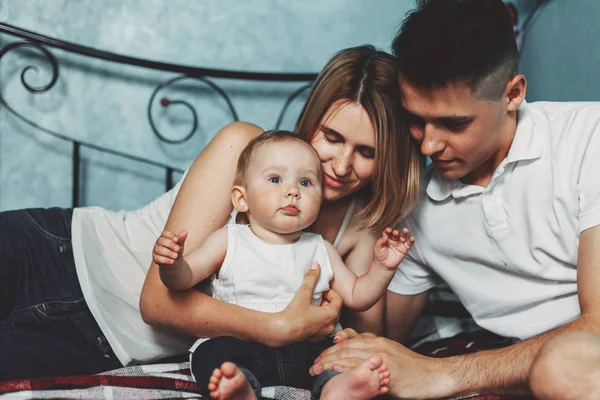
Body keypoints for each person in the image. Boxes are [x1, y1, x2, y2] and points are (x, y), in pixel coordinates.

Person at [0, 44, 422, 381]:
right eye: (332, 137)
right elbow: (157, 301)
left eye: (367, 152)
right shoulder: (245, 147)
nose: (342, 165)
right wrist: (278, 326)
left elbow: (375, 340)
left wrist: (347, 335)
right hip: (56, 255)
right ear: (312, 120)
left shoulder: (361, 225)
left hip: (98, 342)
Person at [308, 0, 600, 399]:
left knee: (562, 365)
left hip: (575, 363)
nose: (429, 144)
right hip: (546, 377)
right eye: (415, 119)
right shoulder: (415, 209)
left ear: (512, 94)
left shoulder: (589, 138)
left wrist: (443, 373)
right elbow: (384, 337)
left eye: (453, 123)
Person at [154, 130, 414, 399]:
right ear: (241, 199)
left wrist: (383, 267)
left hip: (309, 349)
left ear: (320, 200)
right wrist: (172, 265)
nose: (292, 191)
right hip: (244, 343)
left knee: (339, 355)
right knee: (212, 353)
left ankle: (337, 388)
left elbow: (358, 295)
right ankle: (241, 387)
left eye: (305, 182)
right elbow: (184, 279)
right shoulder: (229, 239)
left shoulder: (320, 247)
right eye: (276, 179)